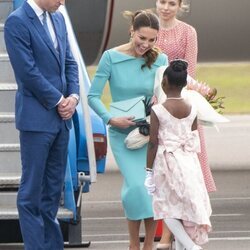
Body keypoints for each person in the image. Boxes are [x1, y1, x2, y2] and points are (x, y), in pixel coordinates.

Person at [88, 10, 168, 250]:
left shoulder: (160, 60)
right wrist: (110, 120)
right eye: (142, 38)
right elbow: (93, 96)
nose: (146, 44)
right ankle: (134, 243)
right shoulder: (111, 57)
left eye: (152, 40)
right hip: (122, 134)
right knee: (136, 186)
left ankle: (148, 246)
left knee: (150, 187)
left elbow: (164, 96)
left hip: (149, 134)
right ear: (132, 31)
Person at [4, 0, 79, 249]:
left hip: (61, 119)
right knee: (31, 193)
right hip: (37, 121)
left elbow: (69, 61)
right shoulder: (18, 21)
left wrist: (74, 97)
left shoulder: (58, 18)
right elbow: (27, 71)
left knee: (52, 193)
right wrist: (58, 100)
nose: (63, 2)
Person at [154, 1, 216, 248]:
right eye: (162, 1)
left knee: (188, 176)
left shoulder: (188, 31)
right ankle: (171, 235)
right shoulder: (150, 27)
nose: (166, 7)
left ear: (181, 5)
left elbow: (191, 71)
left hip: (181, 100)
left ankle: (177, 235)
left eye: (172, 3)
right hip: (158, 103)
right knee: (168, 176)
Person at [145, 59, 212, 250]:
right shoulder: (192, 107)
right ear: (184, 84)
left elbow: (153, 142)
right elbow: (192, 138)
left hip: (167, 161)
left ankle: (191, 246)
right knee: (183, 208)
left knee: (166, 209)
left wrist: (148, 171)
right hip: (189, 160)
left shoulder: (158, 110)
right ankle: (183, 247)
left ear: (164, 82)